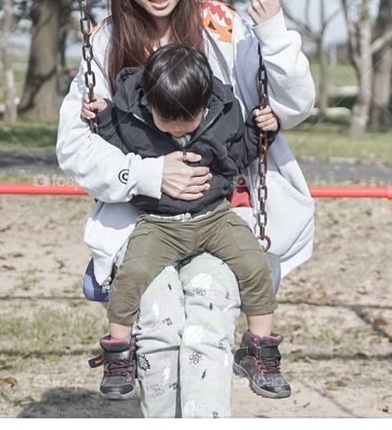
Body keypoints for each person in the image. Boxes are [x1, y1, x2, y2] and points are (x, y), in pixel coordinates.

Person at [56, 0, 315, 417]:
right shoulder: (106, 42)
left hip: (224, 213)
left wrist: (274, 32)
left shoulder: (222, 27)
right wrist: (151, 173)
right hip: (142, 222)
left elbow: (296, 103)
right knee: (156, 326)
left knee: (207, 325)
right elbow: (74, 146)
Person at [82, 44, 288, 400]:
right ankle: (119, 352)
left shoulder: (224, 114)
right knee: (131, 274)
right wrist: (101, 118)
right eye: (168, 120)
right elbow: (114, 139)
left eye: (186, 120)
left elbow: (237, 154)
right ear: (148, 102)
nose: (177, 127)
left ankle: (259, 351)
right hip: (159, 223)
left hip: (214, 217)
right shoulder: (129, 116)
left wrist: (261, 131)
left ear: (205, 101)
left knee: (256, 264)